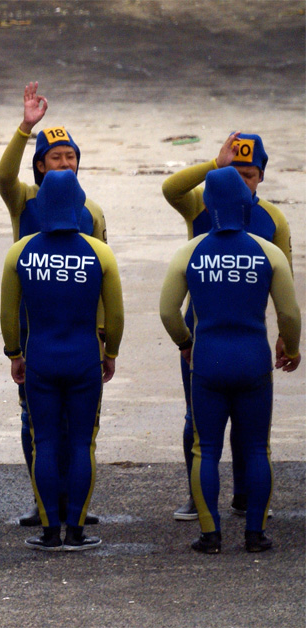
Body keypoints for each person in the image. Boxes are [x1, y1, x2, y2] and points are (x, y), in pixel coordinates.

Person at [160, 167, 300, 553]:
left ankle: (210, 533)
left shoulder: (190, 252)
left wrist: (184, 342)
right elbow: (289, 313)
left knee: (206, 449)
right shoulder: (268, 252)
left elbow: (169, 311)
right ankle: (255, 534)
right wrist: (291, 346)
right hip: (254, 360)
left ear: (206, 205)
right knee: (257, 448)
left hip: (208, 362)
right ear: (246, 203)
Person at [0, 81, 107, 527]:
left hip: (80, 331)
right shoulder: (23, 200)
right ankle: (45, 502)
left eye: (71, 156)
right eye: (56, 157)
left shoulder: (92, 212)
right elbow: (4, 176)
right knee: (35, 422)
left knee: (79, 427)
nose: (65, 162)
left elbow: (104, 278)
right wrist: (25, 128)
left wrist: (102, 333)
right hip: (33, 327)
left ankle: (74, 503)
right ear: (39, 166)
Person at [0, 170, 124, 551]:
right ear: (77, 203)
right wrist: (111, 352)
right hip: (84, 357)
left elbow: (8, 314)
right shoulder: (99, 252)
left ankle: (50, 532)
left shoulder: (21, 251)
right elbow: (115, 315)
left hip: (41, 358)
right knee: (83, 444)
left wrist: (14, 353)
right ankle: (78, 531)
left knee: (46, 443)